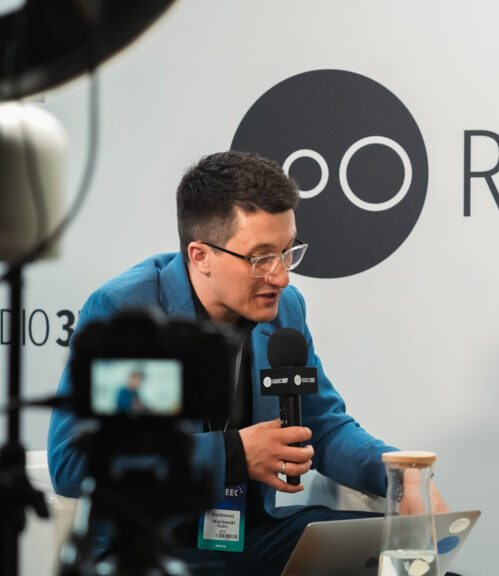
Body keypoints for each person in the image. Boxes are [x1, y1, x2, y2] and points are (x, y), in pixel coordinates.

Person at [47, 151, 446, 575]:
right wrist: (234, 454)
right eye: (260, 258)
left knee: (404, 559)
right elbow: (74, 463)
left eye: (288, 251)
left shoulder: (283, 310)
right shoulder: (131, 315)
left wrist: (399, 474)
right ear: (200, 256)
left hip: (249, 537)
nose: (281, 277)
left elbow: (322, 430)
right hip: (149, 546)